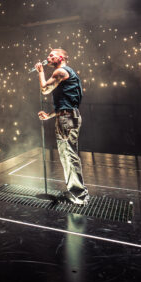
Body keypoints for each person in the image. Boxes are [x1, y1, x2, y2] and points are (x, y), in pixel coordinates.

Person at [34, 48, 88, 205]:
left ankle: (79, 195)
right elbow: (67, 103)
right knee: (67, 154)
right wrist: (50, 115)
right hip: (66, 115)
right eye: (48, 55)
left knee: (69, 155)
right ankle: (75, 191)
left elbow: (45, 89)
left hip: (67, 117)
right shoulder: (66, 72)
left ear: (62, 57)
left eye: (52, 55)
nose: (48, 57)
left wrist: (40, 72)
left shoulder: (61, 71)